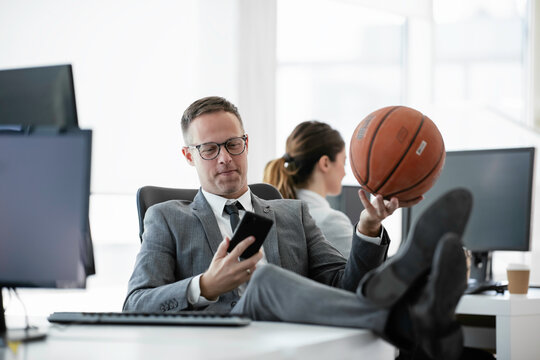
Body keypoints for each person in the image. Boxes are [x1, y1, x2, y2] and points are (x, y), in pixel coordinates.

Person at [123, 96, 471, 360]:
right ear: (189, 156)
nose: (225, 158)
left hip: (291, 348)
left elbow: (346, 287)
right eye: (210, 149)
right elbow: (135, 305)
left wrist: (368, 226)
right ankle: (406, 312)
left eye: (232, 144)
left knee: (270, 280)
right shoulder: (166, 217)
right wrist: (205, 286)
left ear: (246, 143)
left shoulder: (292, 214)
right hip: (218, 348)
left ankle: (408, 313)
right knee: (264, 280)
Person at [263, 120, 354, 257]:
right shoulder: (332, 221)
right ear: (325, 163)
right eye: (344, 162)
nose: (345, 172)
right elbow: (361, 277)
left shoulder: (276, 213)